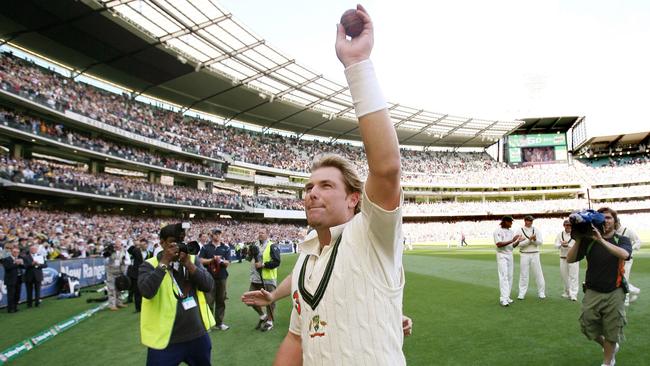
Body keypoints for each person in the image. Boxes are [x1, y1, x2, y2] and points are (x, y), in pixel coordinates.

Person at [273, 6, 405, 364]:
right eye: (309, 186)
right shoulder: (304, 259)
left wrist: (356, 64)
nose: (312, 192)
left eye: (326, 186)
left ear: (353, 199)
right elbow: (296, 339)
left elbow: (387, 168)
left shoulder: (372, 234)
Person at [138, 223, 215, 366]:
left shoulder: (191, 260)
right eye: (173, 242)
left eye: (181, 242)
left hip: (197, 335)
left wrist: (189, 265)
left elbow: (208, 285)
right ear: (162, 243)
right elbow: (146, 292)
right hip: (165, 340)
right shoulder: (149, 265)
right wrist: (164, 262)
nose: (178, 246)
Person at [567, 207, 632, 366]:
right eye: (602, 217)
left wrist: (601, 240)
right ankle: (608, 347)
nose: (606, 220)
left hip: (615, 291)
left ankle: (607, 362)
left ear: (615, 222)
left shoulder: (622, 239)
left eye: (609, 218)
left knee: (612, 329)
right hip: (592, 291)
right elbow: (570, 259)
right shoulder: (588, 241)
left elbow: (624, 255)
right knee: (586, 325)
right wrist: (580, 238)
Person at [246, 228, 281, 332]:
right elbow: (248, 259)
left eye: (262, 233)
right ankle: (263, 315)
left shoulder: (272, 246)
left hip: (268, 279)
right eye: (259, 232)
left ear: (267, 234)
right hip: (255, 278)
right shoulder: (255, 245)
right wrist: (248, 252)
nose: (260, 234)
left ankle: (270, 321)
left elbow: (277, 262)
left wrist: (263, 265)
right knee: (249, 299)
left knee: (270, 300)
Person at [198, 228, 231, 331]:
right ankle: (208, 324)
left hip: (222, 277)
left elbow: (228, 262)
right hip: (209, 277)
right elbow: (200, 260)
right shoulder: (205, 247)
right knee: (209, 301)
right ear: (212, 235)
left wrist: (220, 260)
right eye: (215, 234)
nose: (217, 236)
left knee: (221, 300)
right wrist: (212, 260)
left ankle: (219, 323)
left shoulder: (225, 247)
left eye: (219, 234)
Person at [494, 216, 524, 306]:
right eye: (510, 222)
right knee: (504, 276)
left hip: (510, 254)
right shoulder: (497, 231)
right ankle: (503, 299)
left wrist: (518, 241)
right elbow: (499, 244)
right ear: (505, 222)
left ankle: (507, 297)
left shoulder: (511, 231)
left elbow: (513, 246)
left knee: (510, 276)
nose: (511, 223)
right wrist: (512, 240)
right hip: (501, 255)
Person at [517, 215, 546, 300]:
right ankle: (521, 293)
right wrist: (529, 240)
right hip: (524, 254)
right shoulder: (519, 230)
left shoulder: (536, 230)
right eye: (529, 220)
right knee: (524, 274)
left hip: (535, 254)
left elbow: (540, 243)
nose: (530, 222)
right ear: (525, 221)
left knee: (538, 273)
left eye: (531, 221)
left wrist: (534, 240)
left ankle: (541, 292)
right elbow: (518, 244)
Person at [615, 222, 642, 305]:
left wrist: (631, 249)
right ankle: (634, 290)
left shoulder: (628, 231)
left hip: (627, 259)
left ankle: (625, 301)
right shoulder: (613, 232)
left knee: (624, 278)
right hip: (617, 259)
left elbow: (638, 241)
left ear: (617, 222)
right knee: (618, 278)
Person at [554, 220, 578, 301]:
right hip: (563, 258)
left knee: (573, 276)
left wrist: (568, 245)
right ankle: (567, 292)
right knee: (564, 276)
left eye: (570, 225)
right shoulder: (560, 234)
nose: (568, 227)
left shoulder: (576, 234)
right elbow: (555, 245)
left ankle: (573, 294)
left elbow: (578, 246)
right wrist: (561, 244)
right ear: (564, 225)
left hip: (574, 258)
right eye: (567, 225)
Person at [127, 238, 152, 312]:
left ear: (147, 245)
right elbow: (129, 250)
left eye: (144, 244)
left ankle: (148, 306)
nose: (143, 246)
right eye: (141, 244)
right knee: (137, 291)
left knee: (147, 289)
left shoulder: (150, 253)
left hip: (147, 273)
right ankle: (138, 308)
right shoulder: (136, 251)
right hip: (136, 274)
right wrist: (135, 244)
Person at [105, 240, 130, 311]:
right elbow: (105, 260)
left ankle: (119, 302)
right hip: (111, 272)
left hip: (120, 272)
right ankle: (112, 305)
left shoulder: (124, 251)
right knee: (111, 288)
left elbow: (129, 261)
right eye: (115, 244)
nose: (117, 246)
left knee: (119, 288)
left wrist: (123, 261)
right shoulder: (110, 251)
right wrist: (108, 253)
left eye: (118, 244)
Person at [1, 246, 24, 313]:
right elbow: (7, 268)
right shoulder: (7, 259)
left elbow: (24, 267)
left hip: (19, 279)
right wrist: (16, 263)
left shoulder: (19, 258)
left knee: (17, 294)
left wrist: (21, 263)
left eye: (17, 252)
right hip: (10, 280)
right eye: (14, 252)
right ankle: (10, 309)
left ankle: (15, 307)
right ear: (11, 252)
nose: (16, 253)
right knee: (11, 295)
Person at [23, 244, 47, 308]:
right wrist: (31, 264)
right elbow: (24, 266)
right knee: (29, 291)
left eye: (35, 249)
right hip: (29, 276)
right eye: (32, 249)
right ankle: (29, 304)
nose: (33, 250)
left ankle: (37, 303)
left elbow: (45, 265)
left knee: (38, 290)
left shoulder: (40, 256)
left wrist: (39, 265)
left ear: (36, 250)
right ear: (30, 250)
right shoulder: (25, 257)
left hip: (38, 275)